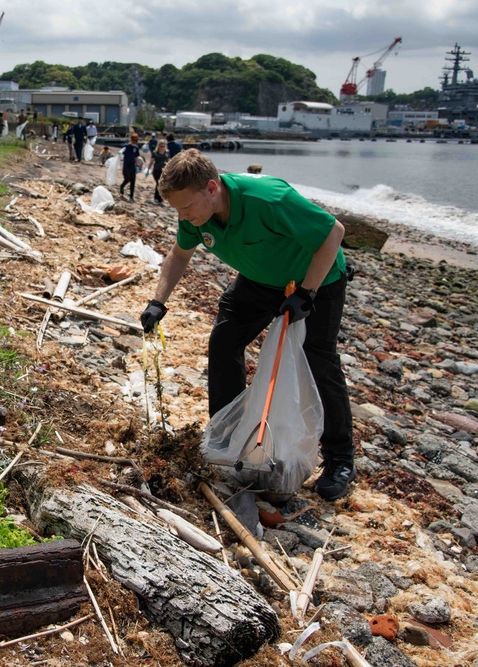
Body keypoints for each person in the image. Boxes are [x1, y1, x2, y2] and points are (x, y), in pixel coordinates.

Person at [139, 149, 355, 501]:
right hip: (258, 281)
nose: (182, 216)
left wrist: (307, 293)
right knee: (224, 341)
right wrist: (157, 301)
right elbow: (179, 255)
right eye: (177, 209)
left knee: (319, 362)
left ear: (212, 188)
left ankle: (340, 460)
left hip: (317, 279)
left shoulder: (269, 199)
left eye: (186, 207)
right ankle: (227, 437)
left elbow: (334, 233)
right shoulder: (195, 215)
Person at [119, 133, 142, 202]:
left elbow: (136, 157)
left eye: (135, 141)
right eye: (133, 141)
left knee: (133, 182)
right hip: (126, 166)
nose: (134, 142)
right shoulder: (126, 146)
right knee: (127, 179)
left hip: (133, 166)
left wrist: (137, 165)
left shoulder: (136, 147)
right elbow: (120, 153)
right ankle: (122, 186)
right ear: (131, 139)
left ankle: (131, 196)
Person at [147, 139, 170, 205]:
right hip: (156, 171)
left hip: (164, 171)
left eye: (163, 146)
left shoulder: (167, 153)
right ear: (158, 146)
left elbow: (169, 162)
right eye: (161, 146)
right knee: (158, 183)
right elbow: (151, 162)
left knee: (161, 184)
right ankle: (159, 199)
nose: (162, 148)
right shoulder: (155, 153)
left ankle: (157, 198)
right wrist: (148, 170)